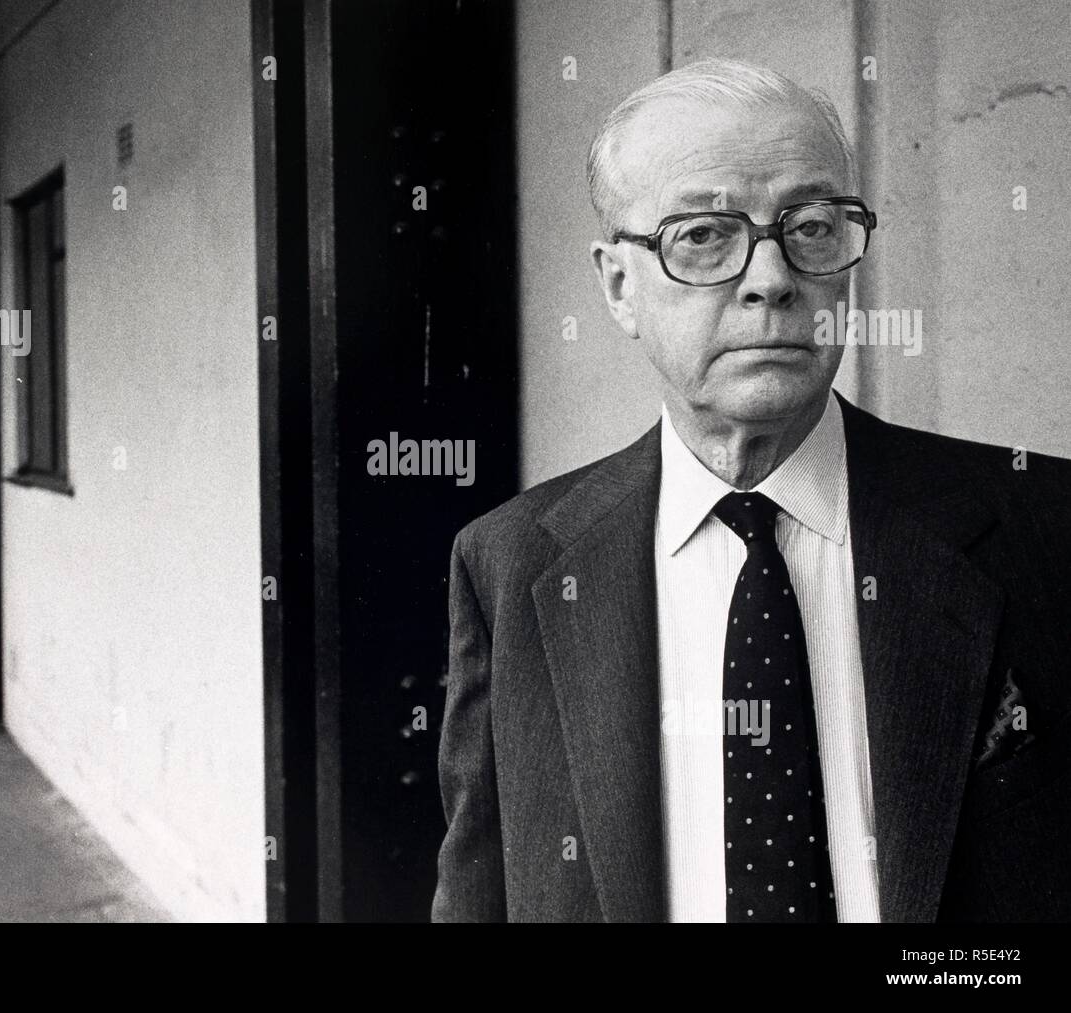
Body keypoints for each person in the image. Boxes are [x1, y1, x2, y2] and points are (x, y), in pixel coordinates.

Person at [431, 58, 1071, 923]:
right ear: (619, 285)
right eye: (703, 235)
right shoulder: (510, 564)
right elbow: (478, 899)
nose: (772, 279)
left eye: (811, 226)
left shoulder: (1043, 525)